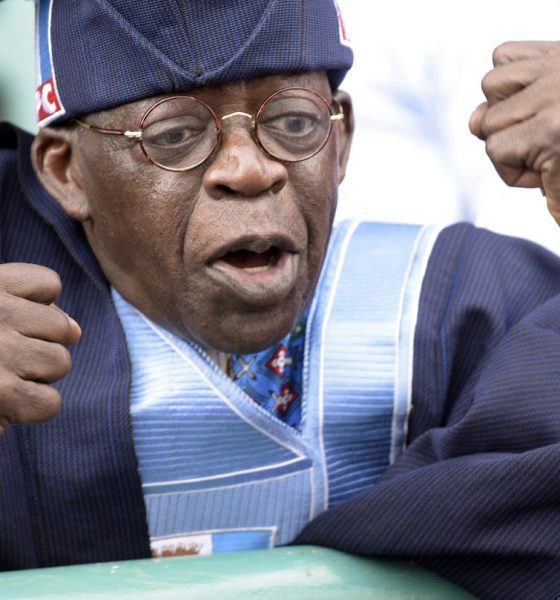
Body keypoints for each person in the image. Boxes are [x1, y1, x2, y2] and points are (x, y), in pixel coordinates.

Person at [1, 2, 560, 599]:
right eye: (174, 135)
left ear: (340, 139)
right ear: (66, 171)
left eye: (293, 121)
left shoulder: (455, 305)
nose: (249, 170)